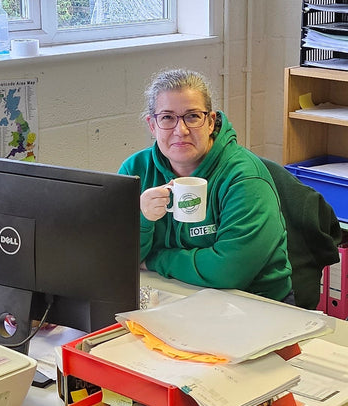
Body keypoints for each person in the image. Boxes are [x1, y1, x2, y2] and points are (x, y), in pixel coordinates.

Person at [119, 68, 292, 302]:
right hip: (174, 295)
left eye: (192, 116)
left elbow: (230, 271)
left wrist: (155, 260)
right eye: (167, 117)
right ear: (152, 125)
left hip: (253, 302)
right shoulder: (136, 170)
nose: (181, 130)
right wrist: (143, 219)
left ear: (210, 122)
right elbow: (115, 259)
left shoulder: (245, 177)